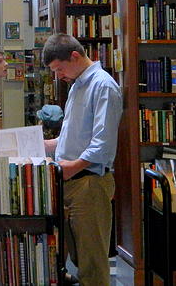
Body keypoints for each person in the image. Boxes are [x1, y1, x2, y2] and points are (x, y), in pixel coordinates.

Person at [42, 33, 122, 286]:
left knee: (92, 260)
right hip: (70, 178)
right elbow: (72, 136)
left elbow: (103, 143)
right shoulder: (78, 84)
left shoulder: (103, 86)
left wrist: (73, 166)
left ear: (75, 56)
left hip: (89, 182)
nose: (59, 76)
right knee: (73, 252)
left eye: (60, 69)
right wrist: (43, 145)